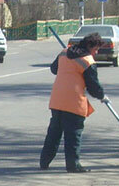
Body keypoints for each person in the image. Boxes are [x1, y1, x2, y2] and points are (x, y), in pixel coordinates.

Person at [39, 32, 108, 173]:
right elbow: (93, 85)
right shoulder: (87, 61)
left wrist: (68, 67)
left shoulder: (64, 53)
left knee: (54, 133)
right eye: (96, 49)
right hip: (74, 103)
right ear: (89, 46)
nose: (96, 52)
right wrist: (102, 96)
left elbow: (54, 69)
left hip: (57, 100)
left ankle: (44, 161)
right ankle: (73, 165)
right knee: (73, 135)